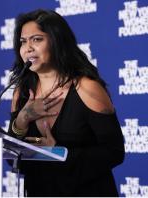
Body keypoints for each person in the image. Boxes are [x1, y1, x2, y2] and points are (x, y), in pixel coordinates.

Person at [8, 9, 125, 197]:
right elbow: (12, 158)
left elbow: (114, 152)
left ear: (57, 41)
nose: (28, 48)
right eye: (23, 41)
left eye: (37, 39)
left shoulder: (86, 88)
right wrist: (22, 119)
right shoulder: (21, 92)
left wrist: (59, 154)